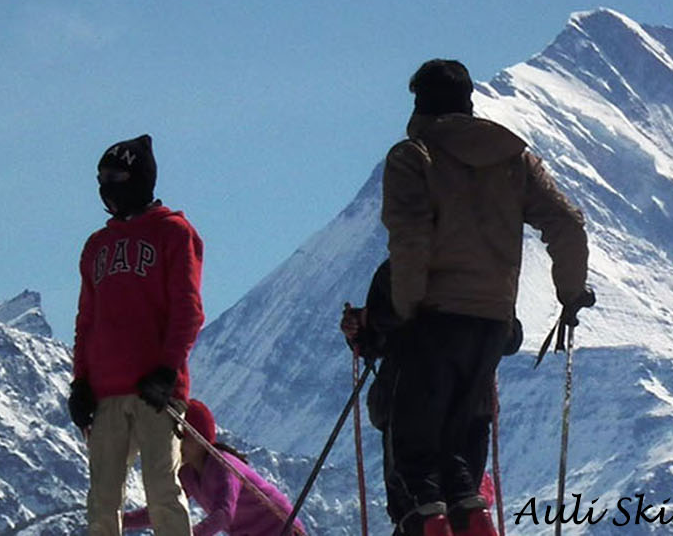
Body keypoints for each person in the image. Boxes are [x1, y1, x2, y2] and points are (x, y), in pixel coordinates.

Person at [380, 59, 594, 536]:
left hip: (434, 318)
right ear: (469, 102)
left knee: (415, 458)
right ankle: (474, 523)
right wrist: (571, 293)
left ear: (419, 104)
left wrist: (406, 310)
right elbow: (567, 222)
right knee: (458, 451)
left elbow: (410, 239)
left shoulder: (413, 157)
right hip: (492, 324)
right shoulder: (513, 159)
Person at [69, 134, 206, 536]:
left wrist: (167, 369)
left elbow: (188, 309)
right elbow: (86, 320)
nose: (106, 186)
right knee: (102, 500)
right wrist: (80, 382)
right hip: (105, 392)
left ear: (139, 178)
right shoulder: (97, 245)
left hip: (155, 390)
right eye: (101, 178)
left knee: (163, 490)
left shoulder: (174, 232)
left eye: (115, 176)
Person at [343, 261, 510, 536]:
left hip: (411, 402)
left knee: (417, 505)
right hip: (471, 406)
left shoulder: (401, 266)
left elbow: (386, 326)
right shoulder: (486, 265)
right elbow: (510, 334)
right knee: (461, 499)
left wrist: (363, 326)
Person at [120, 399, 303, 536]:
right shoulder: (188, 474)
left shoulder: (223, 466)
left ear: (200, 438)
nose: (176, 445)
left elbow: (224, 513)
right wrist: (122, 520)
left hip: (281, 529)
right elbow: (165, 508)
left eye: (182, 437)